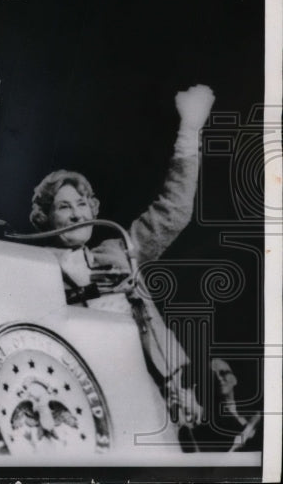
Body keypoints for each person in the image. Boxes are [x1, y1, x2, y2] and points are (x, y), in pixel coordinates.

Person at [28, 83, 216, 428]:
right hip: (79, 393)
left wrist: (189, 131)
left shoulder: (118, 250)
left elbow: (173, 211)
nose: (77, 214)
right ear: (45, 218)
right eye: (64, 207)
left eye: (82, 204)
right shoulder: (30, 268)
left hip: (151, 387)